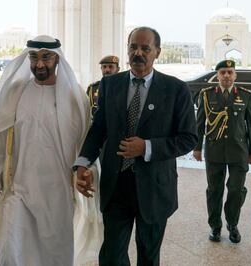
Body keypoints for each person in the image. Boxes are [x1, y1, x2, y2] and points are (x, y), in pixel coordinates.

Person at [75, 26, 197, 265]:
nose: (138, 53)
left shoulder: (176, 90)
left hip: (154, 188)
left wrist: (147, 148)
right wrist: (82, 162)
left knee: (148, 256)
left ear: (157, 52)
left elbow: (188, 139)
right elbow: (99, 129)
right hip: (116, 185)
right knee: (111, 256)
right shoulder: (110, 85)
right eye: (133, 47)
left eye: (145, 48)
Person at [0, 35, 91, 266]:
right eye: (34, 57)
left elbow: (86, 142)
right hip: (19, 187)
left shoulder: (74, 96)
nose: (39, 64)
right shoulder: (16, 92)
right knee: (11, 250)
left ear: (57, 59)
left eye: (46, 57)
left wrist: (87, 173)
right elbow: (0, 137)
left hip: (58, 192)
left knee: (54, 254)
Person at [193, 59, 251, 243]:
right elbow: (199, 124)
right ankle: (215, 226)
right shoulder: (206, 95)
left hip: (239, 151)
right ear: (217, 76)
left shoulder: (245, 95)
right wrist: (197, 147)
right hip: (214, 151)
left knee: (236, 190)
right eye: (223, 72)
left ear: (235, 75)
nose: (227, 76)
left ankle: (232, 224)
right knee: (214, 190)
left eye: (230, 72)